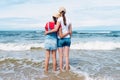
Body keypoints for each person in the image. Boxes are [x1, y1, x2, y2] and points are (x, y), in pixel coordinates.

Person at [45, 7, 72, 71]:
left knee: (59, 56)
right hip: (67, 39)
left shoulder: (58, 20)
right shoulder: (69, 20)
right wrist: (69, 37)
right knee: (66, 57)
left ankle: (60, 70)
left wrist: (47, 32)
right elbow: (71, 31)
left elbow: (56, 30)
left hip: (58, 40)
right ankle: (66, 70)